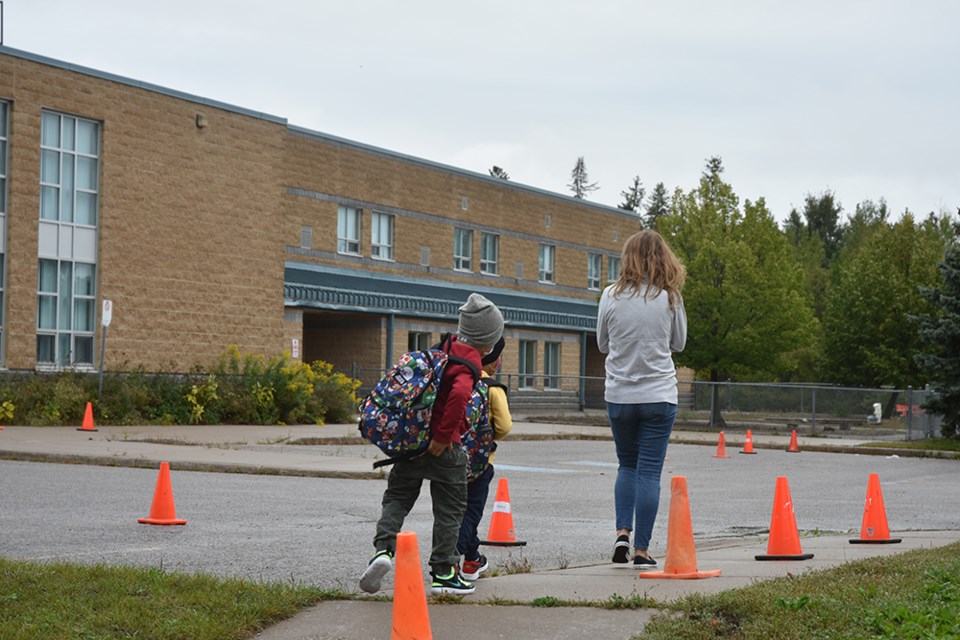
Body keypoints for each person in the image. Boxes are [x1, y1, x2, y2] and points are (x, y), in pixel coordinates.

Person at [360, 293, 504, 596]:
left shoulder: (445, 350)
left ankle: (383, 551)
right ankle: (444, 572)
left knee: (397, 499)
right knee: (450, 511)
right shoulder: (469, 365)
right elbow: (458, 398)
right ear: (488, 341)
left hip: (412, 445)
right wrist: (443, 437)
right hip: (444, 449)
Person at [596, 229, 687, 569]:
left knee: (626, 465)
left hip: (619, 394)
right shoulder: (670, 297)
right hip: (658, 394)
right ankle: (642, 551)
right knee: (649, 471)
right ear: (664, 258)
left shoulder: (610, 295)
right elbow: (679, 343)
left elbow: (602, 344)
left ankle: (622, 533)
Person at [456, 336, 512, 580]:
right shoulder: (492, 388)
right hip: (480, 461)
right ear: (494, 361)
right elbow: (504, 426)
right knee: (471, 511)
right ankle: (452, 558)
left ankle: (472, 559)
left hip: (450, 456)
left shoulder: (459, 379)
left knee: (455, 510)